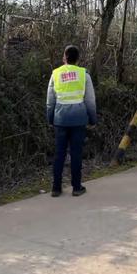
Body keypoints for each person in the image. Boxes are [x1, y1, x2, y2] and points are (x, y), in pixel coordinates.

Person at [47, 45, 97, 197]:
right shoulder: (84, 75)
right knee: (76, 153)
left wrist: (50, 118)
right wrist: (93, 119)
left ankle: (56, 188)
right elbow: (90, 100)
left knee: (59, 153)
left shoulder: (55, 74)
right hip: (78, 119)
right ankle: (76, 187)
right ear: (78, 58)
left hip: (60, 119)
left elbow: (50, 100)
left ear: (64, 57)